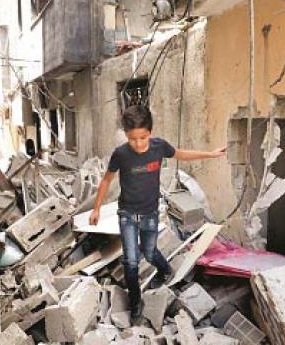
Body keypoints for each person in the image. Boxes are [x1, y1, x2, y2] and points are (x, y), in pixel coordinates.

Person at [89, 105, 225, 325]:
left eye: (143, 138)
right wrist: (96, 208)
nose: (139, 144)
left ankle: (165, 270)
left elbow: (181, 154)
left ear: (150, 133)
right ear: (126, 136)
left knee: (150, 253)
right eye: (133, 139)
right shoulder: (121, 154)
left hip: (150, 213)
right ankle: (136, 304)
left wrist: (210, 154)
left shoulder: (159, 147)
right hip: (127, 214)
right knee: (131, 262)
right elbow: (106, 180)